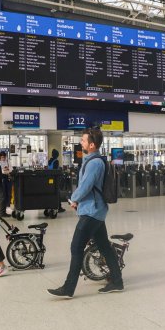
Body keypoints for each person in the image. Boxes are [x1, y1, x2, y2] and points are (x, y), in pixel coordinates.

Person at [48, 128, 123, 298]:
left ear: (91, 144)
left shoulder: (95, 163)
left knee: (76, 247)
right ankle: (117, 281)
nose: (80, 143)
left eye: (83, 140)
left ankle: (68, 288)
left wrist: (74, 199)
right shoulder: (92, 160)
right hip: (94, 210)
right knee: (105, 247)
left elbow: (86, 186)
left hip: (92, 212)